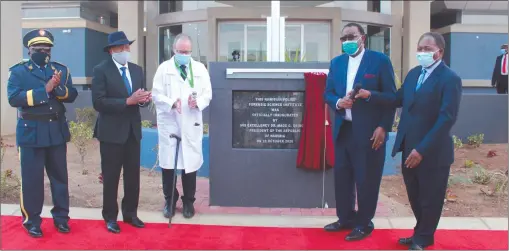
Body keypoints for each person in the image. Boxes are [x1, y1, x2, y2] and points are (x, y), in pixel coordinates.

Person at [355, 32, 462, 250]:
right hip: (408, 146)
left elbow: (446, 118)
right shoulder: (414, 74)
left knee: (430, 198)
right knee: (415, 195)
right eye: (420, 48)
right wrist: (370, 95)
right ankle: (421, 233)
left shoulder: (450, 79)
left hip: (432, 151)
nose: (422, 52)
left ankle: (423, 237)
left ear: (439, 52)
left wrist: (422, 150)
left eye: (427, 49)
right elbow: (397, 99)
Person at [322, 23, 396, 241]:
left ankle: (364, 223)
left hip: (370, 132)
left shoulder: (379, 60)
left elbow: (392, 98)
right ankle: (345, 218)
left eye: (351, 37)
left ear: (362, 38)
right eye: (343, 38)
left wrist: (383, 126)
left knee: (367, 179)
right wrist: (338, 102)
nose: (347, 42)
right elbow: (327, 93)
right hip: (344, 129)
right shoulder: (337, 63)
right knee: (342, 178)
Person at [7, 29, 78, 237]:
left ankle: (62, 219)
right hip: (31, 132)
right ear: (29, 50)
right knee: (32, 180)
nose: (43, 51)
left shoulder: (60, 70)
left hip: (55, 130)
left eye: (47, 48)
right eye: (38, 48)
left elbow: (71, 94)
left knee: (60, 178)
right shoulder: (19, 71)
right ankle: (32, 221)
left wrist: (58, 89)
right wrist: (45, 90)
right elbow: (14, 98)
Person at [91, 31, 152, 233]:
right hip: (111, 133)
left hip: (133, 131)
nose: (125, 51)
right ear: (111, 51)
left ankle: (130, 214)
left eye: (127, 47)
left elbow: (138, 98)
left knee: (133, 177)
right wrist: (127, 101)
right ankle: (110, 217)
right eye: (121, 48)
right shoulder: (101, 70)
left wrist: (144, 99)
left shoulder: (136, 70)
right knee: (111, 177)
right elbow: (98, 102)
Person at [152, 33, 212, 219]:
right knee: (169, 165)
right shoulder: (164, 69)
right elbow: (156, 94)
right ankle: (169, 200)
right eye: (180, 51)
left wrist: (198, 103)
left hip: (191, 122)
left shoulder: (200, 68)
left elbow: (207, 94)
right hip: (170, 123)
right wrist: (171, 102)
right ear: (174, 50)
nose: (184, 54)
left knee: (190, 165)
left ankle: (188, 202)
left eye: (187, 52)